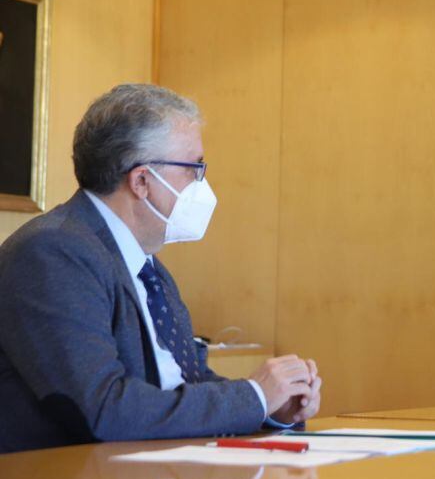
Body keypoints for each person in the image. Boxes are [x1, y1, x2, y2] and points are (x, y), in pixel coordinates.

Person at [0, 84, 322, 453]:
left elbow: (188, 382)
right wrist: (253, 396)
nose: (203, 184)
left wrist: (273, 409)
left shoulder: (149, 269)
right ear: (141, 181)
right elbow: (104, 410)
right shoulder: (52, 253)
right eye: (194, 169)